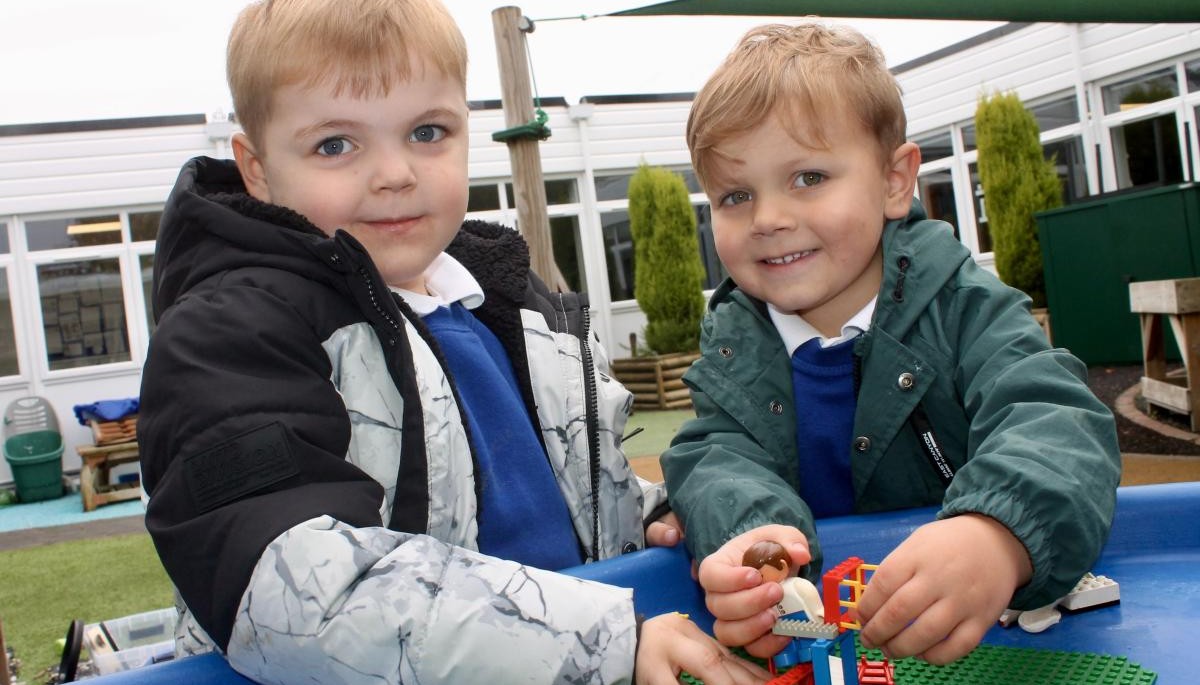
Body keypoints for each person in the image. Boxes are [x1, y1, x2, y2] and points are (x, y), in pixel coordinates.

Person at [138, 1, 769, 683]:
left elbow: (564, 496)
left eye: (428, 131)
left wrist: (670, 518)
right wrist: (603, 642)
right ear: (256, 167)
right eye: (335, 145)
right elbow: (296, 592)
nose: (394, 173)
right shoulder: (231, 336)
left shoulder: (510, 307)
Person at [660, 21, 1122, 668]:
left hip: (994, 638)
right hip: (832, 651)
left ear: (894, 181)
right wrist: (754, 544)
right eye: (736, 195)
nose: (767, 218)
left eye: (808, 177)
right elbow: (715, 459)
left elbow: (1056, 416)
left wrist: (998, 533)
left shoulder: (962, 308)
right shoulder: (735, 350)